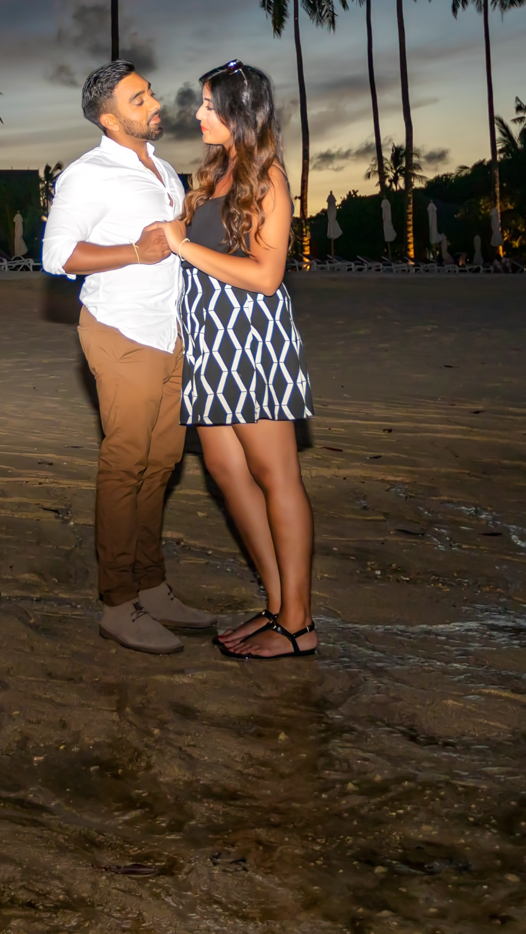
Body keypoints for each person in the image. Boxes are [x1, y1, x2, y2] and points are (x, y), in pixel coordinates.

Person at [41, 61, 219, 654]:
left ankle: (152, 586)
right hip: (123, 332)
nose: (154, 103)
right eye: (138, 99)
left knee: (162, 461)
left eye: (149, 92)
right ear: (110, 119)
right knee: (125, 464)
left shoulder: (163, 169)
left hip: (172, 332)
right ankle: (119, 603)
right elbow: (56, 256)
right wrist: (134, 253)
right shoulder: (86, 175)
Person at [159, 60, 318, 660]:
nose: (198, 113)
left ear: (238, 112)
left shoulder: (267, 177)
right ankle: (277, 605)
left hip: (250, 340)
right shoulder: (214, 174)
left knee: (277, 476)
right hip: (207, 342)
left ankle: (299, 624)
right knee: (227, 472)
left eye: (208, 105)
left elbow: (266, 275)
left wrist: (183, 246)